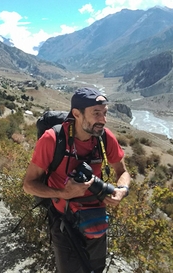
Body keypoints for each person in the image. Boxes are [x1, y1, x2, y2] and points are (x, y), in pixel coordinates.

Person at [23, 87, 131, 273]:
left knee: (95, 269)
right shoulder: (53, 139)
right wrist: (62, 193)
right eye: (96, 113)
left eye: (104, 113)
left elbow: (123, 171)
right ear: (76, 114)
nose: (103, 120)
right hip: (65, 222)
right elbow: (29, 185)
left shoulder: (104, 137)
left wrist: (122, 189)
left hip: (96, 220)